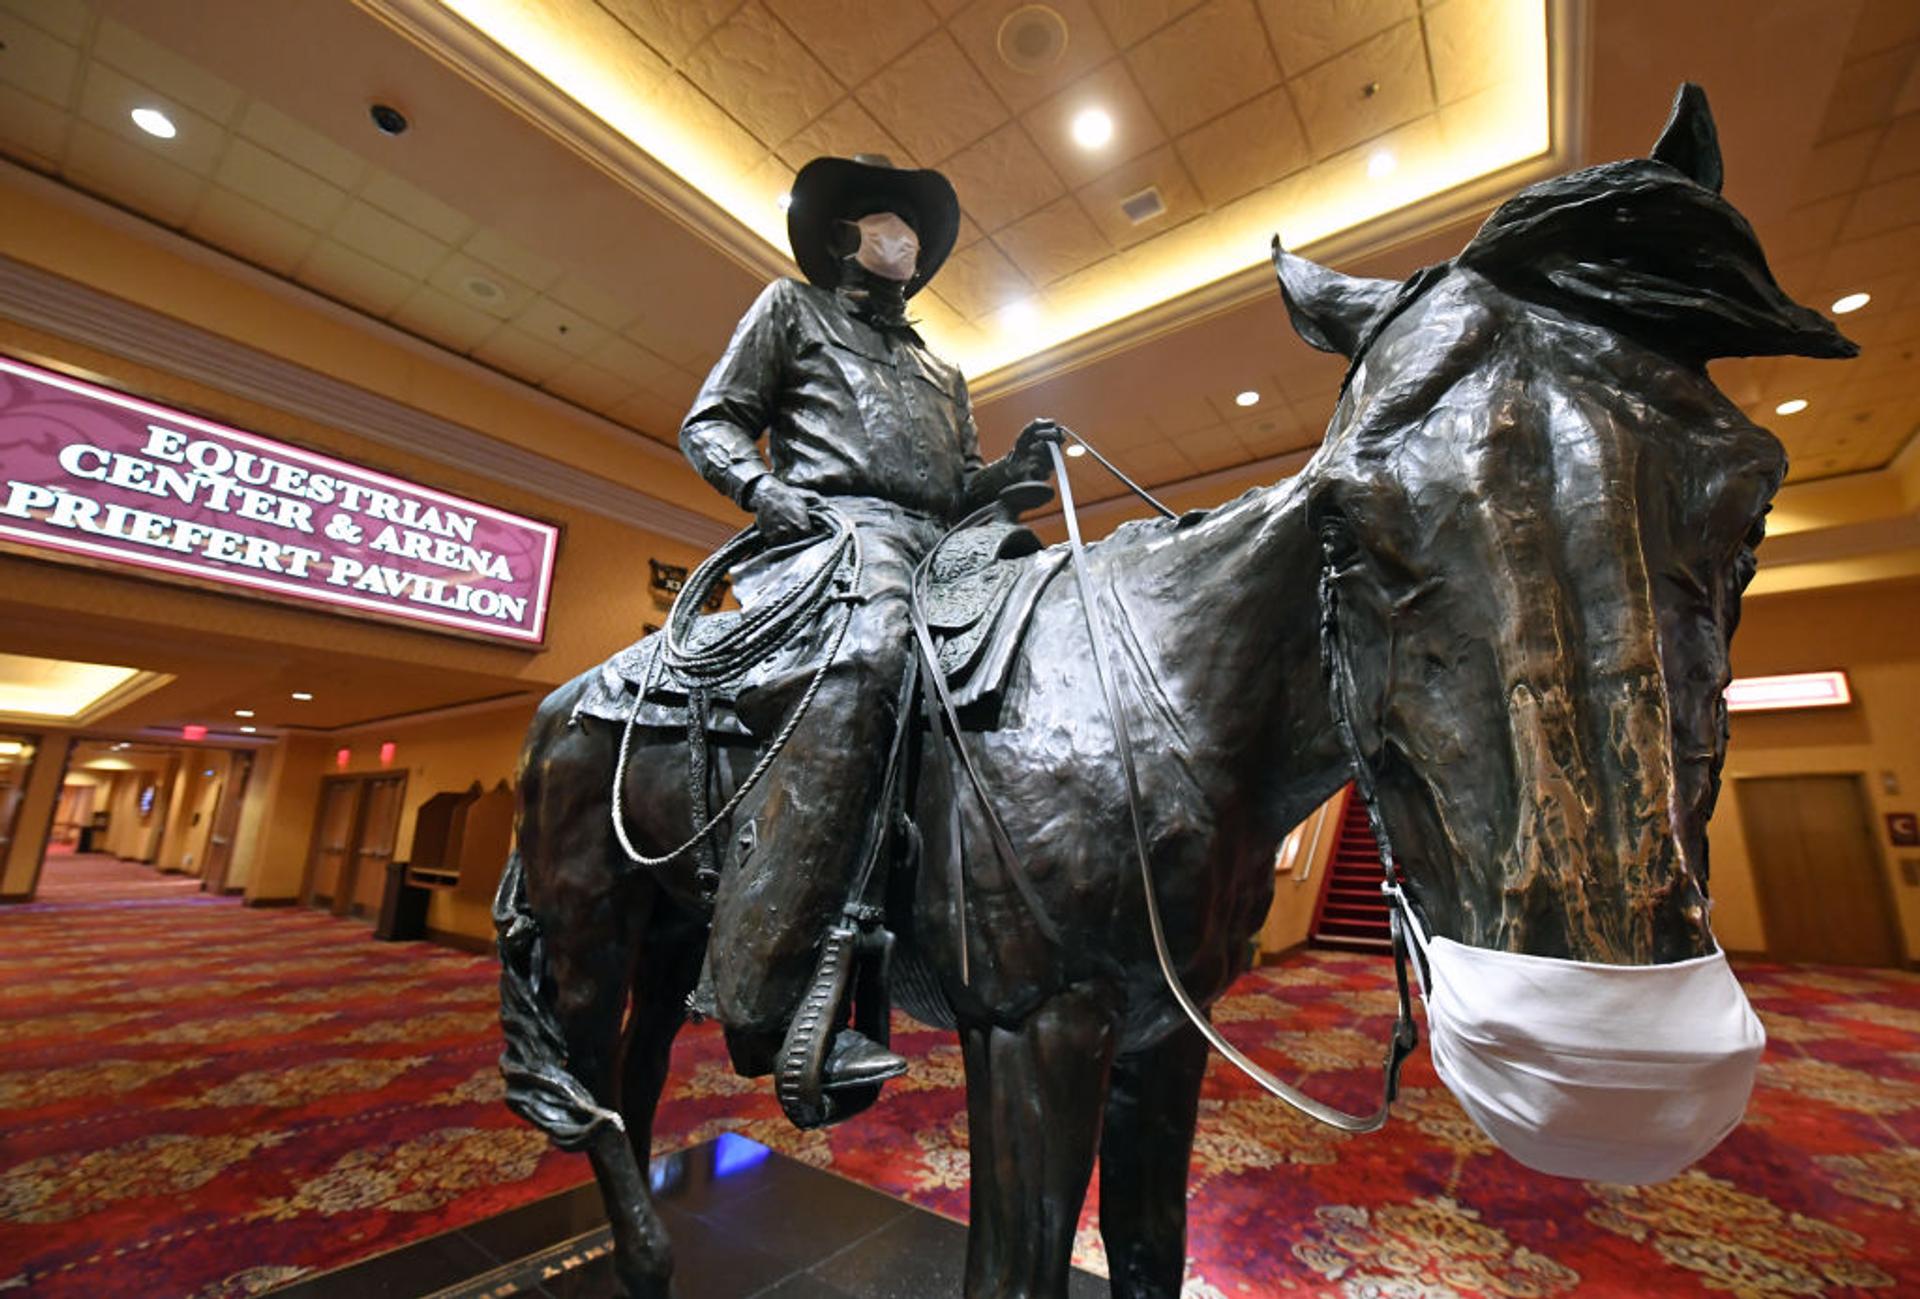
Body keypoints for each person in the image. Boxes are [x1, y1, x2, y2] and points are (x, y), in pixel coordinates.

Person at [679, 154, 1056, 1089]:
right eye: (888, 218)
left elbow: (959, 487)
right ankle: (764, 990)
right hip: (836, 536)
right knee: (872, 656)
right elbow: (711, 423)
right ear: (843, 235)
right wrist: (759, 487)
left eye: (914, 225)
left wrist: (1010, 473)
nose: (906, 236)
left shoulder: (943, 369)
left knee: (1050, 620)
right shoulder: (789, 309)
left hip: (941, 543)